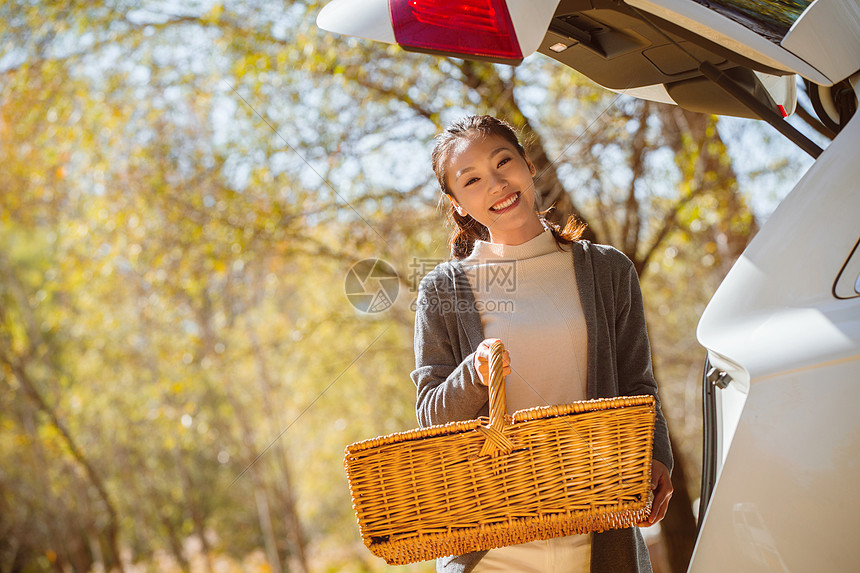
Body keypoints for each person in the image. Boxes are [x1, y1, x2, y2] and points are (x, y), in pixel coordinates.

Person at [410, 115, 674, 573]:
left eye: (503, 162)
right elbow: (430, 415)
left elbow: (638, 384)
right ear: (456, 203)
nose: (495, 184)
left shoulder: (608, 271)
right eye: (471, 180)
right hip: (491, 549)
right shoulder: (443, 290)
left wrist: (656, 454)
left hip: (598, 536)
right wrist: (474, 374)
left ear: (528, 165)